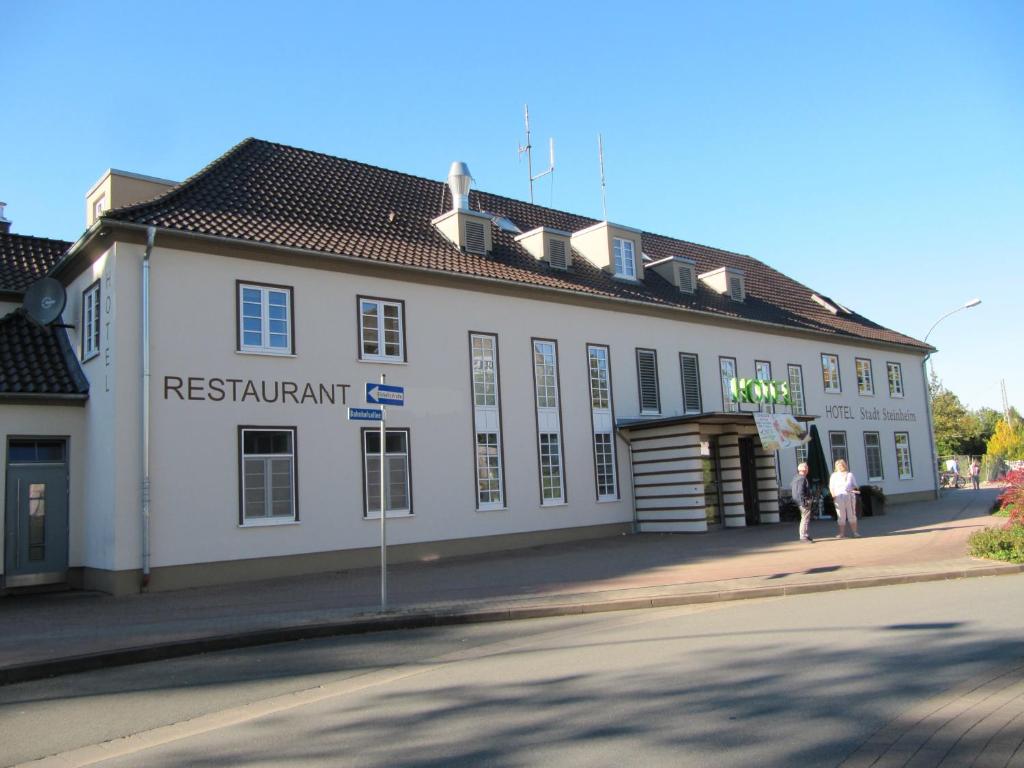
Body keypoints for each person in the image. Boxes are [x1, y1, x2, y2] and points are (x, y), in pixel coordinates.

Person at [829, 458, 860, 538]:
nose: (840, 467)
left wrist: (853, 489)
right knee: (841, 515)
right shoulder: (834, 475)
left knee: (852, 514)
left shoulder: (850, 474)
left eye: (841, 465)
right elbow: (831, 486)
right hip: (838, 496)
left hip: (849, 496)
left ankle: (855, 532)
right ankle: (842, 533)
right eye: (838, 466)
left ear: (844, 465)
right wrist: (833, 496)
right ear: (836, 467)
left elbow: (855, 485)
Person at [791, 462, 814, 542]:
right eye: (807, 468)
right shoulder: (802, 478)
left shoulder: (796, 478)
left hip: (799, 501)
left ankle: (805, 535)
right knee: (805, 519)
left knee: (805, 518)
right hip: (803, 501)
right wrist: (805, 501)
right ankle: (803, 536)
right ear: (804, 470)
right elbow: (800, 491)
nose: (808, 469)